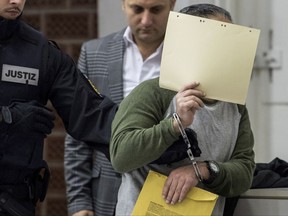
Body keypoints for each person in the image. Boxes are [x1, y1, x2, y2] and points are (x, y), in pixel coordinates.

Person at [110, 4, 256, 216]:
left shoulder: (235, 106)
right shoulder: (152, 93)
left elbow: (244, 171)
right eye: (217, 40)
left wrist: (204, 170)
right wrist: (174, 124)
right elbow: (121, 157)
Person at [0, 0, 118, 215]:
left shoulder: (39, 51)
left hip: (14, 203)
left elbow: (91, 115)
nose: (15, 1)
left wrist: (162, 139)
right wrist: (7, 118)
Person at [64, 0, 177, 216]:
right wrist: (80, 202)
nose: (146, 20)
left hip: (167, 194)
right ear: (123, 4)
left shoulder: (187, 56)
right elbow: (79, 131)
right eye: (137, 9)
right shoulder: (94, 52)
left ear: (172, 4)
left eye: (156, 10)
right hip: (105, 193)